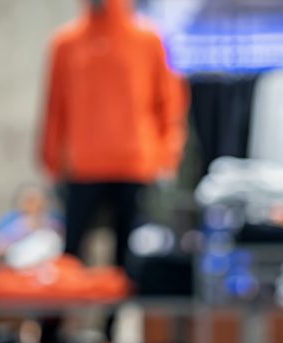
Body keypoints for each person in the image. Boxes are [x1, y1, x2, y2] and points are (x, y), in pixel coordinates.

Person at [39, 0, 187, 279]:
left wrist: (166, 156)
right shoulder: (65, 43)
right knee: (69, 254)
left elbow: (169, 104)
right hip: (83, 166)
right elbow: (54, 105)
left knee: (125, 258)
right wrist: (51, 161)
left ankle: (112, 323)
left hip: (133, 166)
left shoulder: (148, 40)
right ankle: (54, 323)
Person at [0, 184, 64, 267]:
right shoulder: (9, 220)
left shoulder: (53, 220)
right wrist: (21, 229)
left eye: (36, 200)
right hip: (15, 269)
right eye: (29, 200)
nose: (33, 204)